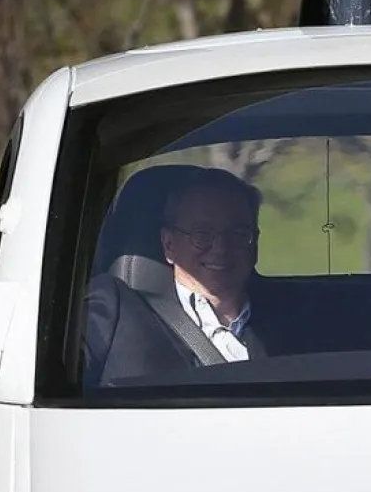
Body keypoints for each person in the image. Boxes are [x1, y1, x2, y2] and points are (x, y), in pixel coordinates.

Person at [82, 166, 277, 387]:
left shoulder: (293, 318)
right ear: (169, 244)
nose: (221, 248)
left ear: (255, 242)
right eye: (202, 234)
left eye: (238, 233)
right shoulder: (114, 310)